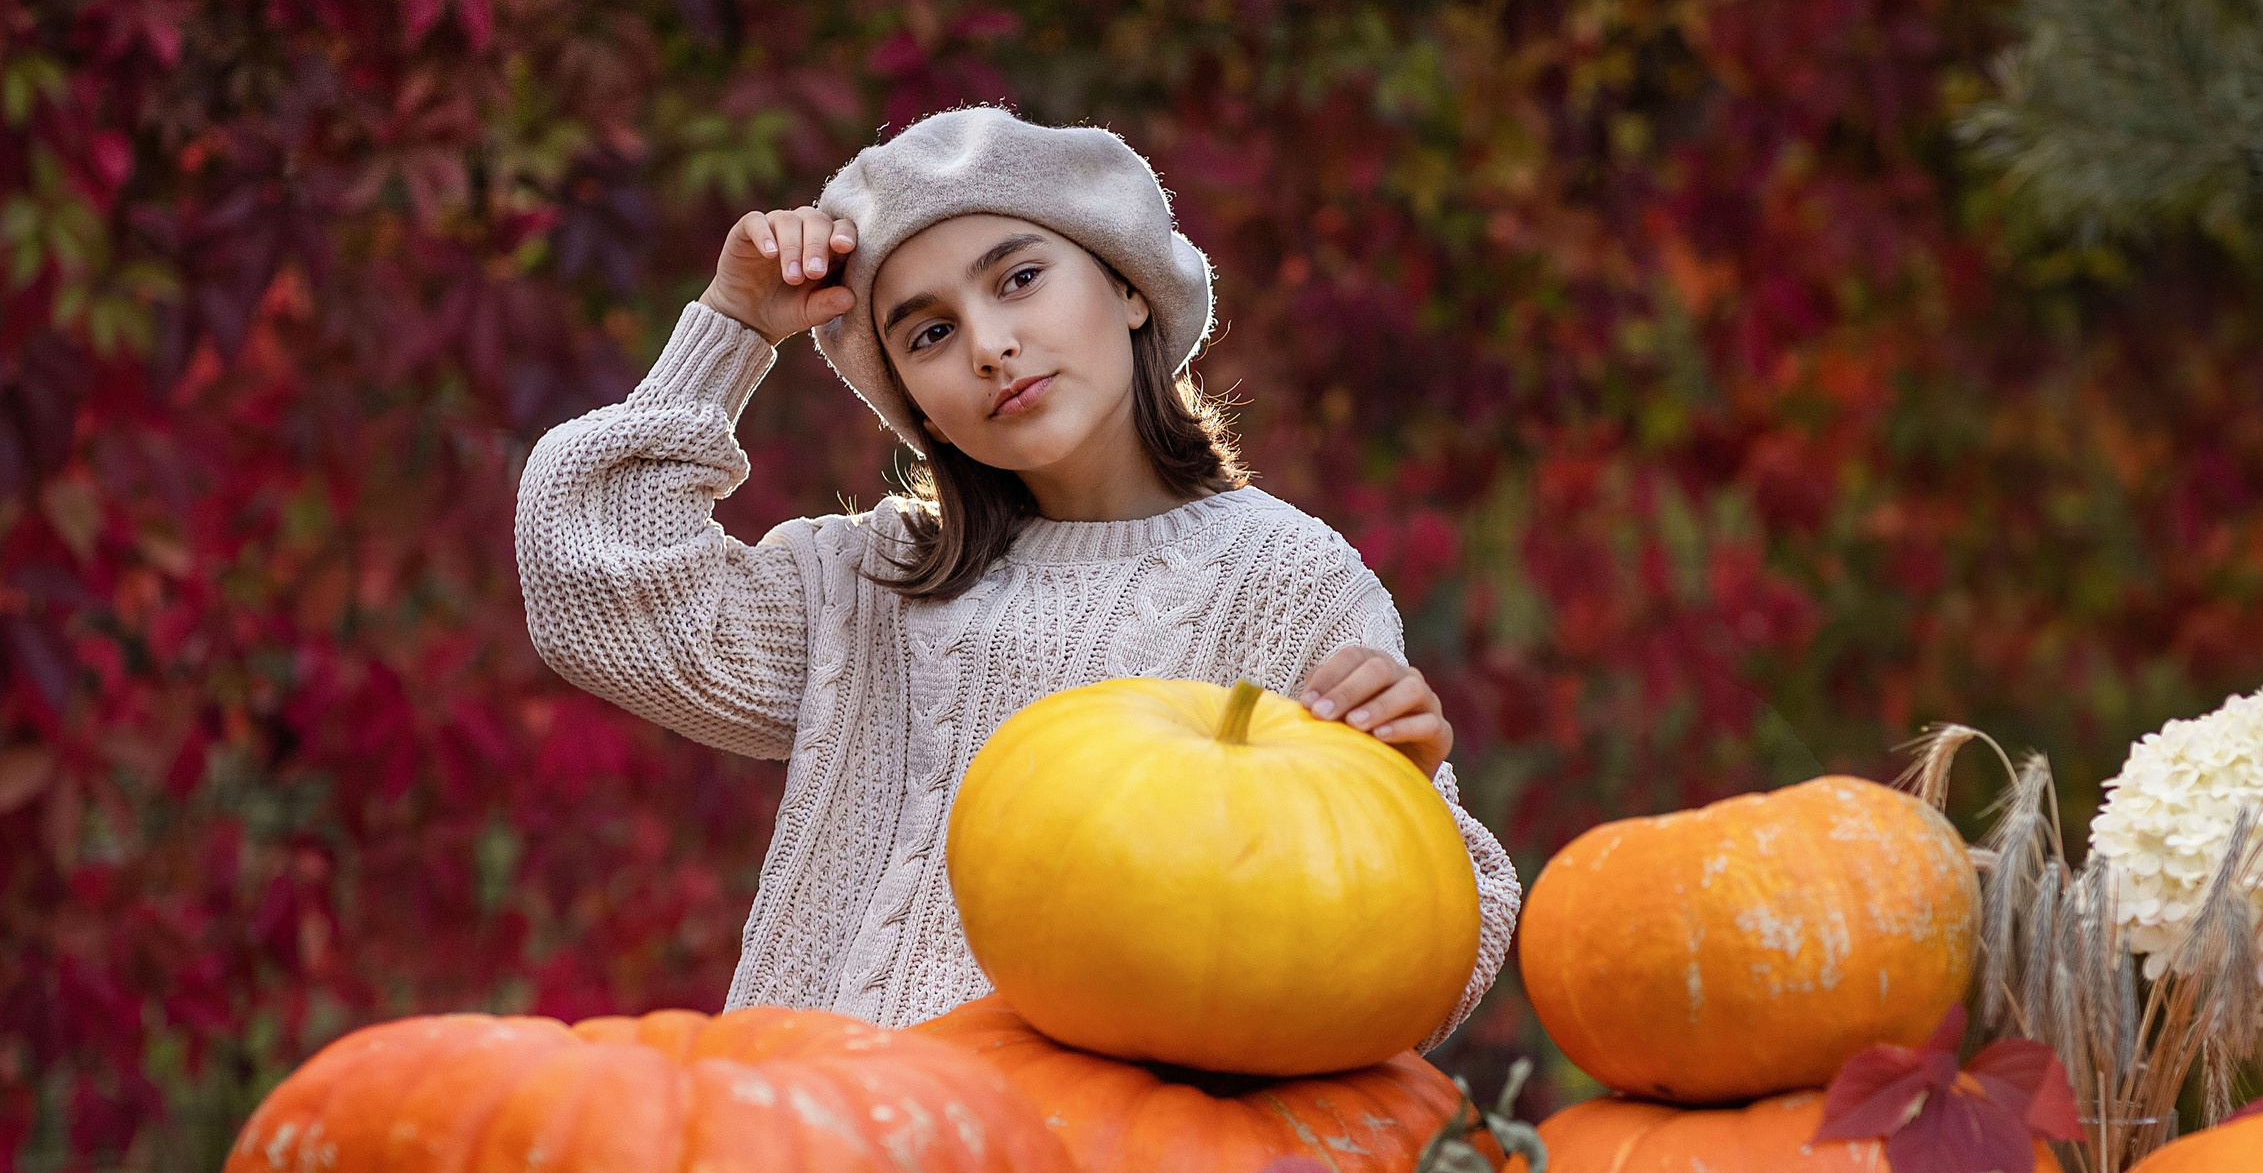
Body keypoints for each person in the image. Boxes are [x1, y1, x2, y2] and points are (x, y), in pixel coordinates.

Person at [515, 106, 1520, 1045]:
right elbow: (597, 592)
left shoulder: (1283, 583)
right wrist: (732, 327)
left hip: (1073, 1159)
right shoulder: (870, 586)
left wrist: (1401, 790)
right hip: (797, 1127)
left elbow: (1438, 957)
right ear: (918, 407)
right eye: (930, 334)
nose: (991, 347)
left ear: (1129, 285)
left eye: (1020, 278)